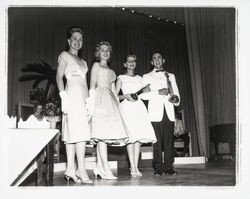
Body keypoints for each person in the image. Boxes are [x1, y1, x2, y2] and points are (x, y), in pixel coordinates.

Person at [56, 26, 92, 184]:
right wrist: (63, 95)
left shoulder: (83, 62)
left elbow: (84, 82)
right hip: (71, 95)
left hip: (82, 97)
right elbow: (58, 77)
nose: (77, 41)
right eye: (74, 38)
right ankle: (81, 169)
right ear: (69, 41)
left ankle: (71, 168)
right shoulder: (64, 55)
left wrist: (89, 100)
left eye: (80, 39)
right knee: (77, 131)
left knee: (77, 132)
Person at [87, 41, 128, 180]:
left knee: (102, 135)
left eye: (107, 50)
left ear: (110, 53)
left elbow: (113, 91)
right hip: (98, 99)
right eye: (102, 50)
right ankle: (106, 168)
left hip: (109, 102)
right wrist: (91, 102)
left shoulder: (112, 71)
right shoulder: (96, 65)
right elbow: (92, 83)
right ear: (98, 53)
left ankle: (99, 167)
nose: (105, 52)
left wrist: (117, 105)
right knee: (101, 135)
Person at [116, 54, 157, 177]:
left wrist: (146, 90)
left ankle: (136, 167)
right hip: (127, 108)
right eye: (129, 61)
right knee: (130, 138)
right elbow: (115, 96)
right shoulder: (121, 78)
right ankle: (132, 167)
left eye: (133, 61)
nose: (131, 63)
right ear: (125, 64)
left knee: (138, 139)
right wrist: (126, 96)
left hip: (139, 108)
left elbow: (143, 94)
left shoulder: (140, 78)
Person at [142, 52, 180, 175]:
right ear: (152, 62)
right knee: (157, 142)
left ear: (163, 60)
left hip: (168, 112)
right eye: (154, 58)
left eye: (159, 58)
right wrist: (158, 92)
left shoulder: (171, 76)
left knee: (169, 141)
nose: (157, 60)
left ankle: (169, 166)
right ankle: (158, 167)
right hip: (154, 113)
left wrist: (176, 99)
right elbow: (143, 95)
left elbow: (176, 93)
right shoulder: (146, 76)